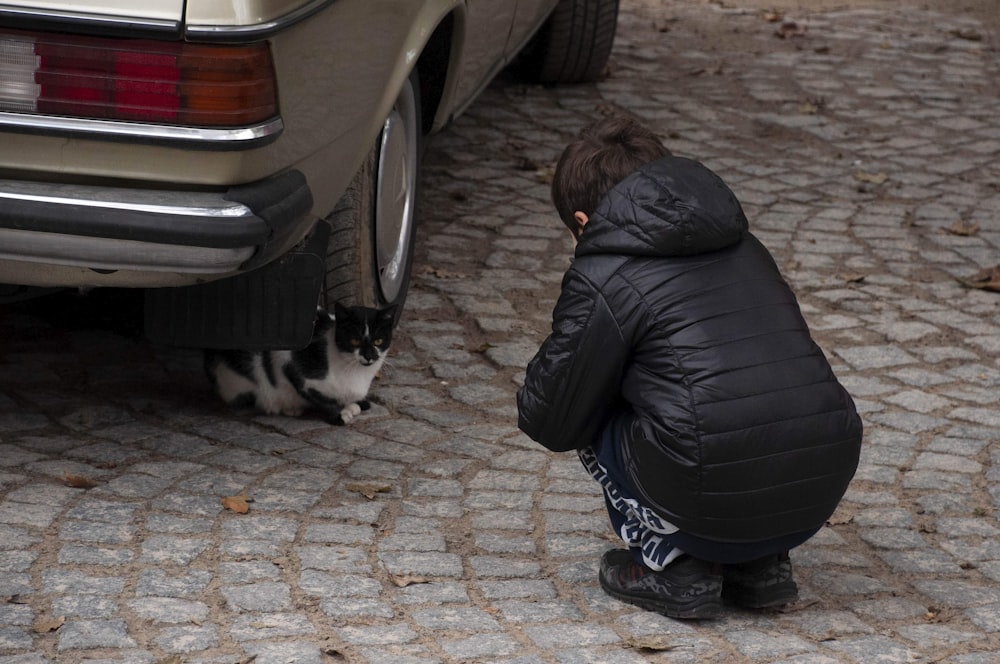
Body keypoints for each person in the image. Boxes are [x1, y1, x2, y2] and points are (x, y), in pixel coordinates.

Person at [517, 114, 863, 619]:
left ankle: (676, 567)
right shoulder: (743, 243)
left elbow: (549, 416)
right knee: (719, 394)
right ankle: (762, 563)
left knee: (589, 398)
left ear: (584, 222)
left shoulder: (603, 272)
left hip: (709, 481)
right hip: (817, 480)